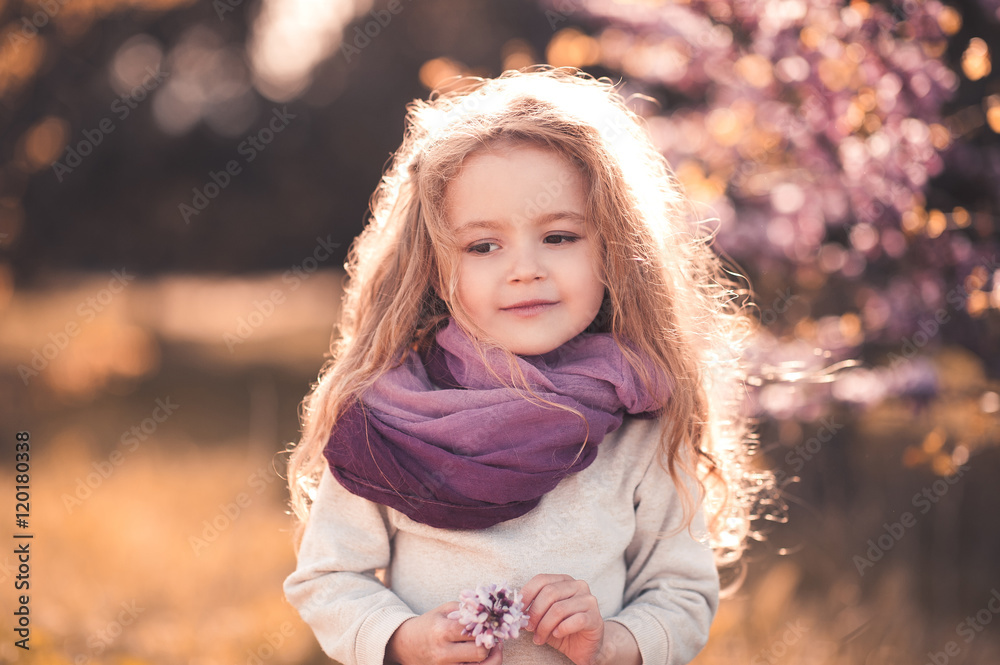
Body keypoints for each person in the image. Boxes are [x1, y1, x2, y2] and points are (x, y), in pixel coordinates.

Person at [283, 67, 766, 665]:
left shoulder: (640, 419)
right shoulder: (388, 418)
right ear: (436, 268)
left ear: (614, 248)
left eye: (559, 236)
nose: (524, 269)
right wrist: (406, 641)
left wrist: (610, 641)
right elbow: (329, 579)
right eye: (483, 246)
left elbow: (683, 594)